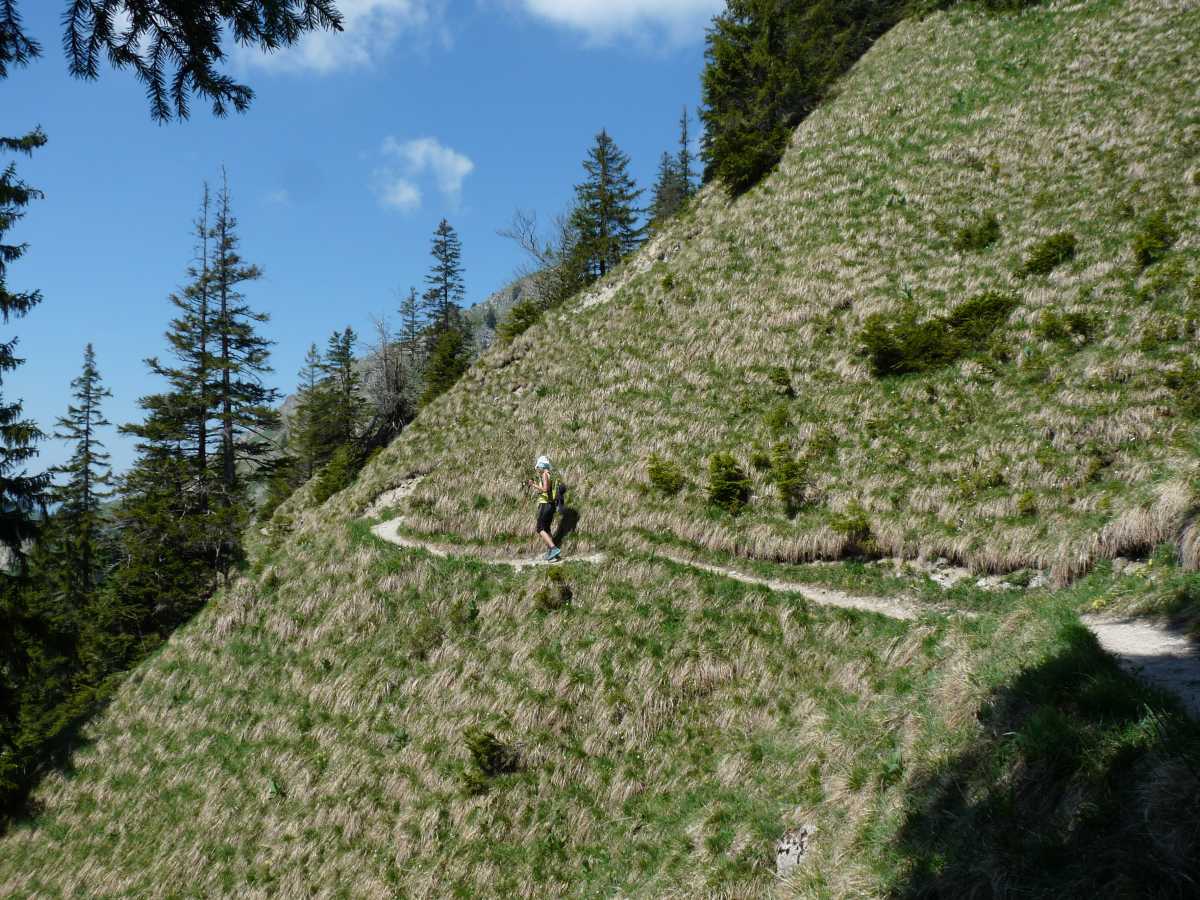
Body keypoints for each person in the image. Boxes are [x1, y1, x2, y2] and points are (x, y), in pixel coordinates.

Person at [527, 455, 561, 561]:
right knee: (546, 528)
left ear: (541, 466)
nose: (537, 470)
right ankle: (553, 554)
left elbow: (545, 489)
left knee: (540, 528)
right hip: (551, 505)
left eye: (538, 467)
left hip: (545, 505)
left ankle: (554, 549)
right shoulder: (551, 475)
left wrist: (533, 485)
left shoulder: (545, 475)